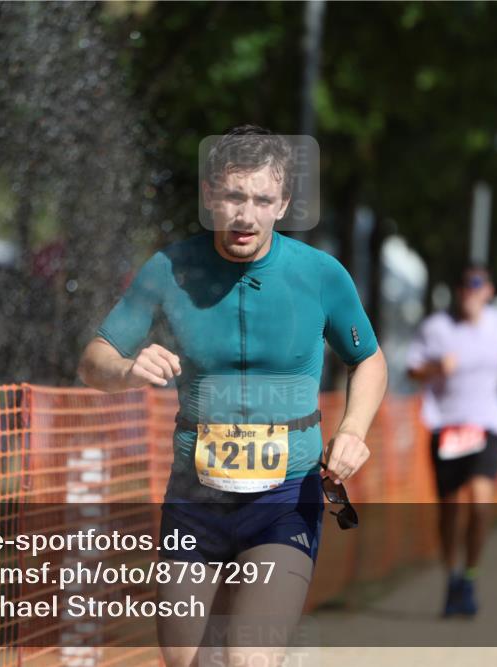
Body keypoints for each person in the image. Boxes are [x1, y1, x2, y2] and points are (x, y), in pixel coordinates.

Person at [77, 125, 387, 667]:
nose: (246, 215)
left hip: (283, 500)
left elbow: (368, 359)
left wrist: (354, 430)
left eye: (263, 200)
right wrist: (127, 368)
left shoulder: (319, 275)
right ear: (209, 195)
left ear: (283, 203)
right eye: (234, 197)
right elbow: (93, 360)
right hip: (194, 499)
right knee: (188, 661)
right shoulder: (171, 270)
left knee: (247, 658)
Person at [406, 264, 497, 618]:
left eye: (478, 285)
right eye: (464, 285)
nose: (470, 292)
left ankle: (470, 576)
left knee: (480, 503)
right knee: (450, 510)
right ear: (457, 291)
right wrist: (436, 368)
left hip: (487, 424)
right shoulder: (436, 328)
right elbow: (412, 369)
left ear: (489, 290)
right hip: (446, 426)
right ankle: (453, 577)